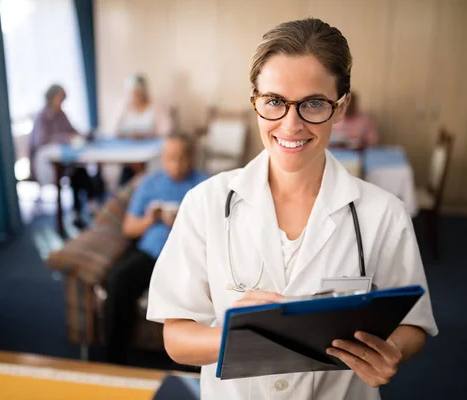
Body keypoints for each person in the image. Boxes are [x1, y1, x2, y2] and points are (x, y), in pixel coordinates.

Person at [146, 18, 437, 399]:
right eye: (274, 102)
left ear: (341, 107)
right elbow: (176, 336)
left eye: (314, 103)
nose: (291, 124)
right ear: (255, 102)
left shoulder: (385, 214)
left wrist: (392, 352)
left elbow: (413, 324)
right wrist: (236, 337)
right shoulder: (206, 204)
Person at [104, 133, 207, 364]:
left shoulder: (205, 184)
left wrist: (183, 221)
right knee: (118, 281)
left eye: (182, 158)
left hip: (187, 258)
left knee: (193, 297)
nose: (177, 165)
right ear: (162, 158)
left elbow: (217, 228)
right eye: (171, 158)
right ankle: (114, 360)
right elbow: (129, 229)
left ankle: (191, 364)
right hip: (150, 254)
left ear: (191, 158)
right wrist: (151, 219)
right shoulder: (149, 183)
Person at [29, 84, 101, 228]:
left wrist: (83, 135)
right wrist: (65, 138)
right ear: (52, 97)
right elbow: (42, 140)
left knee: (80, 172)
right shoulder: (42, 116)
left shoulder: (61, 114)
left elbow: (72, 130)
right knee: (76, 172)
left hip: (64, 160)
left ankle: (81, 210)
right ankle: (87, 207)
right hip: (47, 163)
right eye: (60, 98)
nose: (62, 102)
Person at [115, 74, 174, 185]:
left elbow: (166, 130)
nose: (135, 96)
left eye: (138, 93)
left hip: (150, 151)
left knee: (146, 172)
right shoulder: (124, 107)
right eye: (132, 93)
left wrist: (146, 135)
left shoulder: (155, 106)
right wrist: (128, 135)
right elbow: (116, 131)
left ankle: (143, 184)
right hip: (128, 152)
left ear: (144, 92)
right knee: (128, 172)